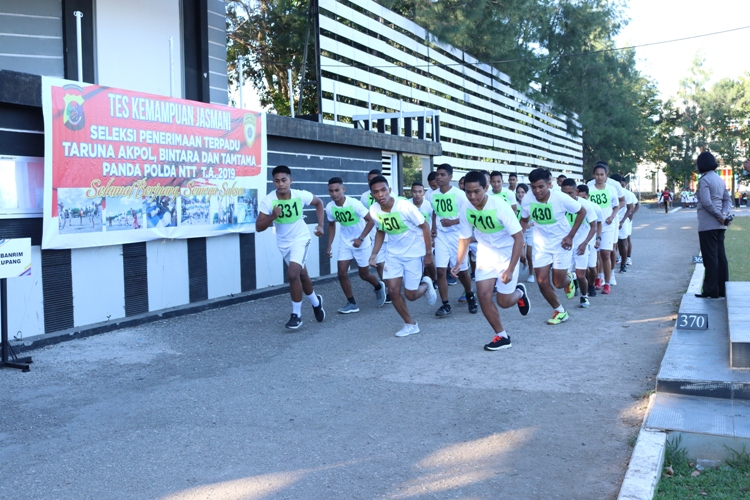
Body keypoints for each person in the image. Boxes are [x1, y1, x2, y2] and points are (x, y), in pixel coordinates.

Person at [453, 171, 529, 351]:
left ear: (486, 188)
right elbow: (464, 238)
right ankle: (502, 336)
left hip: (506, 255)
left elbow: (519, 238)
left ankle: (519, 293)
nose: (472, 196)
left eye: (476, 191)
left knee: (504, 302)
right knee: (484, 296)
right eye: (468, 192)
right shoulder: (465, 208)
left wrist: (510, 269)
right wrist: (458, 263)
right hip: (485, 253)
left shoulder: (500, 206)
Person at [256, 165, 326, 329]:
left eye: (284, 180)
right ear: (273, 182)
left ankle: (296, 315)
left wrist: (321, 225)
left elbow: (319, 203)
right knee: (301, 275)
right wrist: (273, 216)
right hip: (283, 242)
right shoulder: (268, 200)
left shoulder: (300, 195)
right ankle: (316, 302)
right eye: (277, 181)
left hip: (301, 239)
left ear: (290, 180)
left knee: (293, 274)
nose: (280, 184)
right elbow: (258, 227)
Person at [368, 175, 436, 336]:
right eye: (376, 192)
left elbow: (425, 227)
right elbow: (380, 230)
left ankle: (426, 284)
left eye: (383, 190)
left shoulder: (405, 207)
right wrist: (374, 254)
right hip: (393, 254)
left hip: (413, 254)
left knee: (411, 295)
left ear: (389, 190)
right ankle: (410, 324)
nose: (380, 195)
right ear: (372, 195)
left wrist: (428, 254)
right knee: (393, 290)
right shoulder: (374, 210)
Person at [520, 168, 585, 325]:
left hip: (561, 243)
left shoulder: (561, 198)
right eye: (533, 187)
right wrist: (520, 240)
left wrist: (570, 236)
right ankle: (560, 311)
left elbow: (581, 212)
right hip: (541, 244)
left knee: (558, 283)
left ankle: (569, 278)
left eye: (541, 186)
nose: (537, 191)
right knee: (541, 281)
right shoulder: (527, 199)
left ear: (549, 184)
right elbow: (524, 220)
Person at [325, 177, 386, 313]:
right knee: (341, 272)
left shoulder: (354, 204)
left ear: (343, 189)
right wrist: (329, 244)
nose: (334, 193)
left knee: (363, 274)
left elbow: (371, 221)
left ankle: (378, 286)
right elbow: (331, 225)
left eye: (337, 190)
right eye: (331, 191)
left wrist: (361, 238)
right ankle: (352, 303)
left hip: (362, 243)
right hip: (345, 243)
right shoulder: (330, 207)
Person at [431, 163, 478, 316]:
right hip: (441, 236)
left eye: (442, 174)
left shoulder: (459, 195)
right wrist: (433, 227)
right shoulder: (431, 194)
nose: (439, 177)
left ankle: (470, 295)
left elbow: (469, 215)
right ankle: (445, 305)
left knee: (462, 271)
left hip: (457, 236)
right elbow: (434, 211)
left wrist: (452, 222)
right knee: (440, 271)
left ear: (450, 177)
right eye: (438, 174)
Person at [695, 151, 732, 298]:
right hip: (720, 224)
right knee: (720, 257)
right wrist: (723, 214)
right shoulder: (719, 179)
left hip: (708, 223)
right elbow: (727, 200)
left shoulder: (704, 180)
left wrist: (719, 216)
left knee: (710, 258)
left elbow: (706, 202)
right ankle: (722, 289)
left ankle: (711, 290)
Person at [561, 179, 600, 308]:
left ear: (576, 191)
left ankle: (584, 296)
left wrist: (585, 243)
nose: (567, 196)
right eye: (564, 193)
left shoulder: (586, 205)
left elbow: (594, 226)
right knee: (561, 275)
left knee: (581, 275)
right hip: (565, 244)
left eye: (570, 193)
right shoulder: (560, 203)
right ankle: (572, 281)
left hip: (580, 244)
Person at [587, 163, 621, 294]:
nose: (599, 177)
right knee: (594, 256)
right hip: (593, 226)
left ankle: (607, 283)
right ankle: (597, 278)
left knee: (606, 254)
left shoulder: (611, 189)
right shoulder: (589, 188)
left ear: (606, 175)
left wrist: (612, 216)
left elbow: (616, 206)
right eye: (597, 174)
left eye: (602, 174)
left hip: (607, 225)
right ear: (593, 175)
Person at [577, 185, 603, 297]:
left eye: (584, 197)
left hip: (590, 241)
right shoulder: (573, 207)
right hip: (578, 241)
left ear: (588, 196)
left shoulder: (595, 207)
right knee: (582, 268)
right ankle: (583, 286)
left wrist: (598, 238)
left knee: (592, 267)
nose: (582, 200)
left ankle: (591, 284)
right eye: (580, 197)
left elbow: (599, 223)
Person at [516, 183, 535, 283]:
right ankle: (525, 263)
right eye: (518, 192)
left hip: (531, 232)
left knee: (529, 254)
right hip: (519, 232)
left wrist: (530, 224)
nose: (520, 194)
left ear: (526, 193)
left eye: (523, 192)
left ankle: (531, 274)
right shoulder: (515, 204)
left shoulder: (531, 204)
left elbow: (537, 218)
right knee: (521, 256)